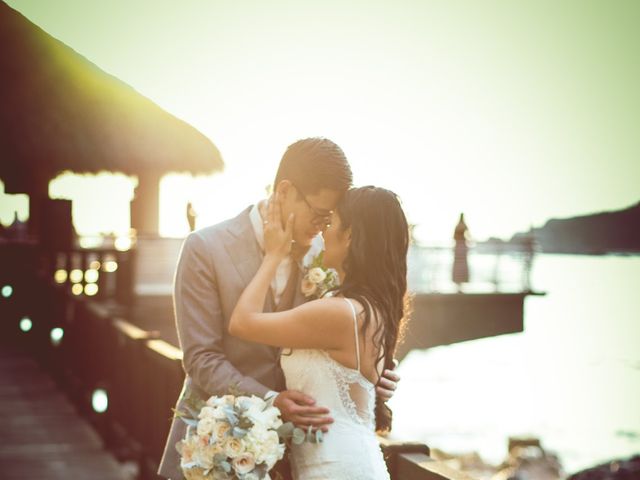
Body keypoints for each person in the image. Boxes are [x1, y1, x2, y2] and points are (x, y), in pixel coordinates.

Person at [158, 138, 400, 480]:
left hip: (297, 458)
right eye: (318, 214)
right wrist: (271, 399)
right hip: (217, 450)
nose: (322, 226)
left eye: (331, 218)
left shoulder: (329, 251)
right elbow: (201, 358)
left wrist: (375, 370)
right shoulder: (205, 248)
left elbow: (354, 325)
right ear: (285, 190)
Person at [229, 186, 410, 479]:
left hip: (336, 469)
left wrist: (273, 255)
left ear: (350, 235)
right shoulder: (370, 308)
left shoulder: (338, 313)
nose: (324, 233)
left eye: (331, 223)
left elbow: (243, 322)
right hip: (342, 464)